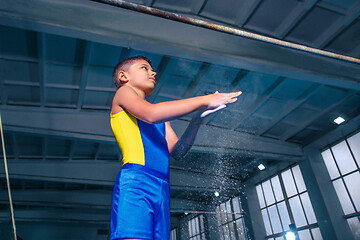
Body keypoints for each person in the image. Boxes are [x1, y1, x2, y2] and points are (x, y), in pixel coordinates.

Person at [109, 55, 241, 240]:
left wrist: (197, 120)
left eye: (152, 69)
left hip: (162, 187)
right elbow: (152, 114)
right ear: (124, 76)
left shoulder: (162, 120)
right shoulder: (123, 93)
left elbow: (178, 151)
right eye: (144, 68)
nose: (153, 72)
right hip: (137, 182)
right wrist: (206, 99)